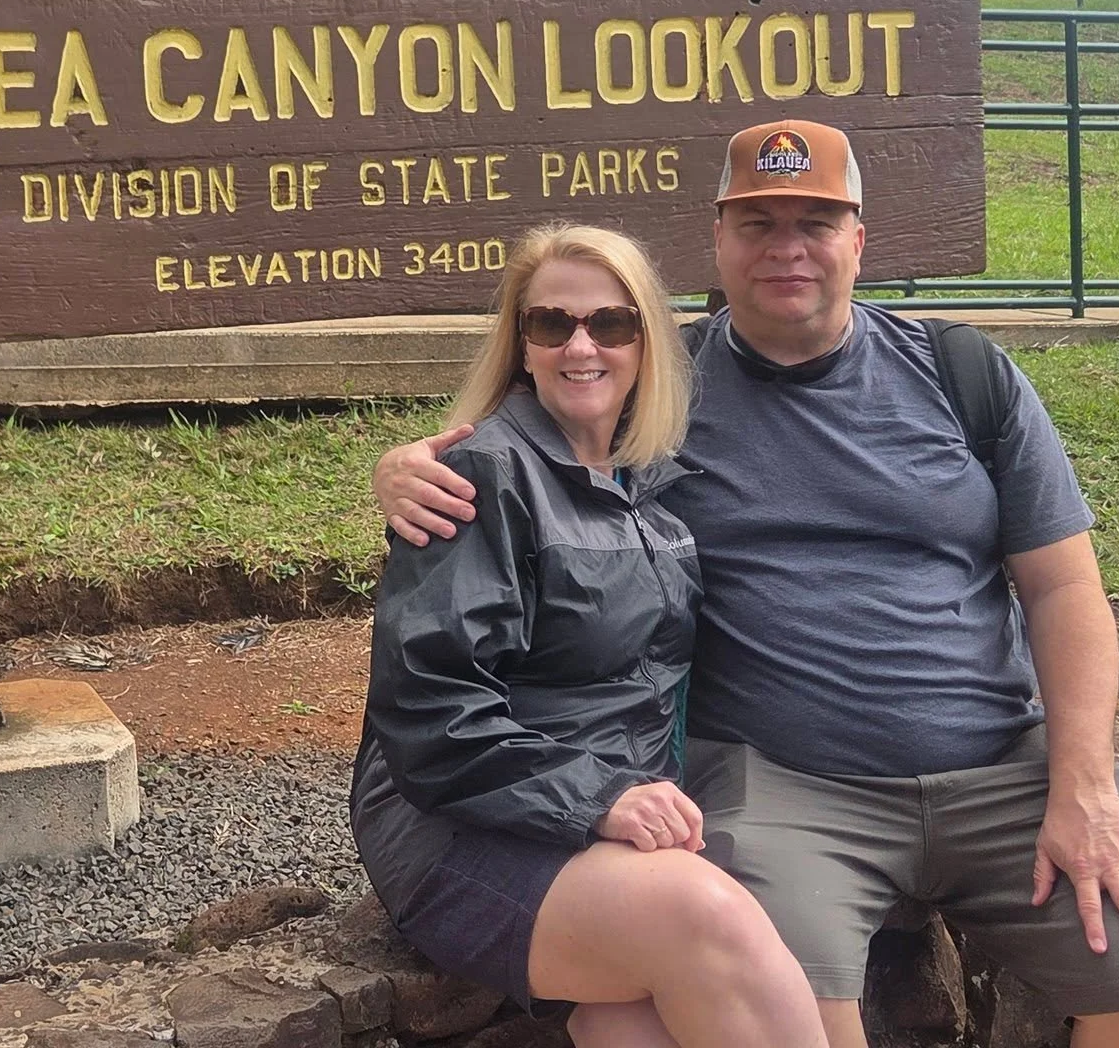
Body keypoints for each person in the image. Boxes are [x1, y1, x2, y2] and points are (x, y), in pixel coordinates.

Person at [373, 123, 1119, 1048]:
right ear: (719, 241)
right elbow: (527, 446)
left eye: (816, 220)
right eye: (758, 222)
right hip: (786, 788)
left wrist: (1083, 784)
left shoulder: (963, 375)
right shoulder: (657, 388)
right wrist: (410, 469)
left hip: (1007, 769)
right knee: (768, 997)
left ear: (860, 238)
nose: (787, 246)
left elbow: (1065, 590)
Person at [353, 223, 829, 1048]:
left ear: (647, 341)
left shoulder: (651, 482)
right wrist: (600, 798)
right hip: (464, 826)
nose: (583, 346)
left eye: (611, 324)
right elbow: (433, 713)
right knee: (706, 919)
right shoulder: (480, 478)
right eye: (552, 324)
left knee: (633, 1018)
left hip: (600, 818)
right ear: (522, 346)